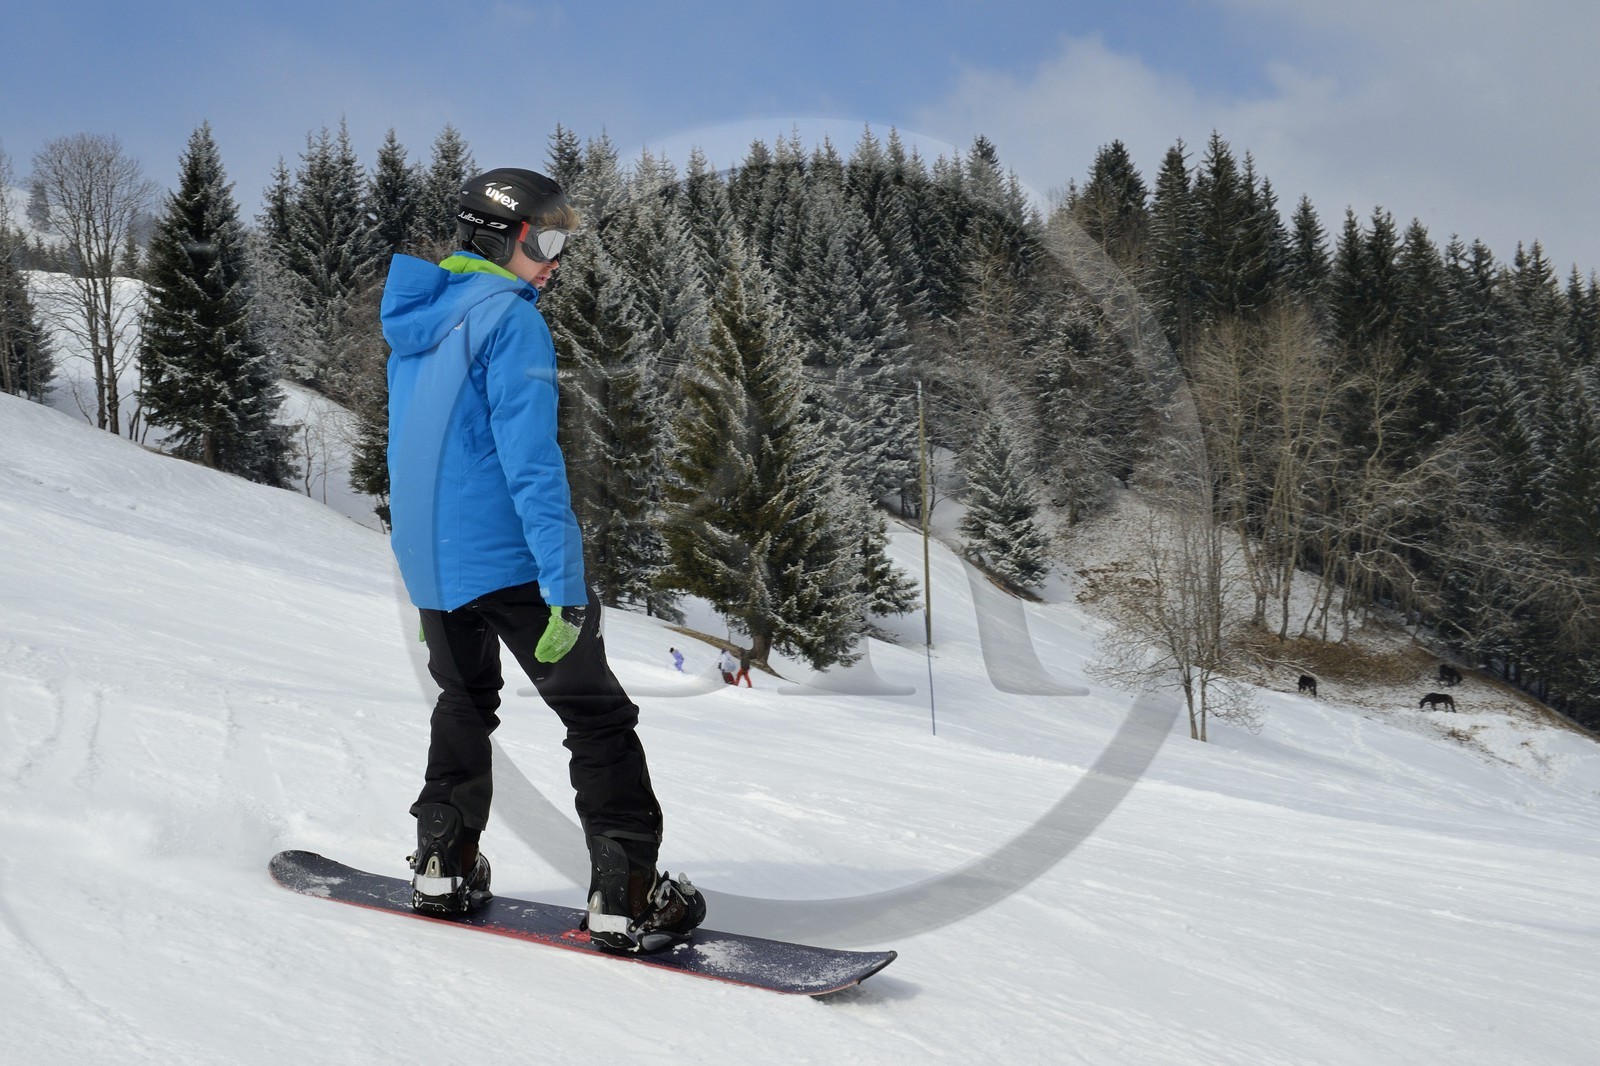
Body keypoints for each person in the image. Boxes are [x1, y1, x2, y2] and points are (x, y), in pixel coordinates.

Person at [380, 168, 704, 955]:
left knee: (464, 701)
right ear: (500, 235)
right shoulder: (509, 319)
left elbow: (414, 454)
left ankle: (442, 863)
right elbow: (530, 464)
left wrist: (423, 579)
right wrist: (563, 584)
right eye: (546, 240)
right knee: (596, 717)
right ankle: (626, 894)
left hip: (434, 562)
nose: (557, 259)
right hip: (507, 558)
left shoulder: (419, 318)